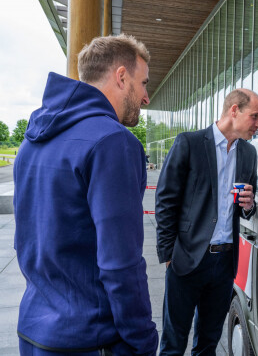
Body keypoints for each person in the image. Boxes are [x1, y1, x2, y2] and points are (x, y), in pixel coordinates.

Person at [13, 34, 158, 355]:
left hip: (36, 331)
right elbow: (121, 262)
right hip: (92, 339)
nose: (147, 97)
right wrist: (143, 339)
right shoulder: (113, 142)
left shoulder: (32, 140)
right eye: (144, 82)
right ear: (122, 76)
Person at [155, 88, 258, 355]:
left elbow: (245, 208)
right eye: (255, 117)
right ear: (234, 110)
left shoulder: (249, 154)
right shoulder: (188, 143)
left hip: (224, 262)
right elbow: (166, 200)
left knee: (208, 343)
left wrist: (249, 205)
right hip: (188, 259)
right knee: (173, 342)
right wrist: (169, 254)